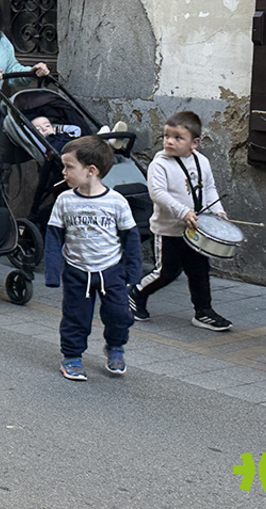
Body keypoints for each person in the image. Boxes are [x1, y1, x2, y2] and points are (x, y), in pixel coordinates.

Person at [45, 136, 141, 381]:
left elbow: (131, 238)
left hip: (111, 270)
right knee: (75, 317)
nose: (63, 172)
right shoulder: (64, 200)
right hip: (77, 271)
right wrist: (53, 273)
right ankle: (72, 357)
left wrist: (133, 273)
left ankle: (115, 346)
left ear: (91, 170)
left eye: (69, 167)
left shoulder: (116, 202)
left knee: (119, 315)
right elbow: (54, 237)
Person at [128, 111, 232, 331]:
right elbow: (157, 193)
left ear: (194, 143)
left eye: (178, 138)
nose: (169, 141)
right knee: (166, 272)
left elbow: (209, 189)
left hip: (196, 231)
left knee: (199, 271)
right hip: (169, 230)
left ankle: (203, 311)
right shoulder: (160, 164)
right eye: (166, 136)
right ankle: (136, 293)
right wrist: (183, 211)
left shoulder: (202, 161)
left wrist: (217, 211)